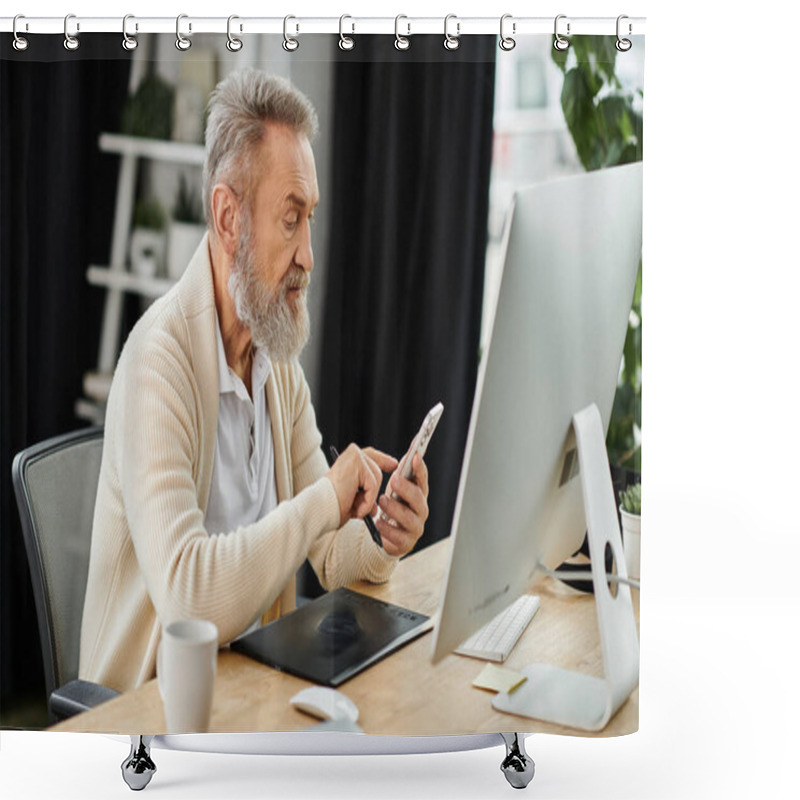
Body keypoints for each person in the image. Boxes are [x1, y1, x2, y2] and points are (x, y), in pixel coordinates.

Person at [79, 69, 430, 693]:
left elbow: (328, 553)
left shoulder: (276, 362)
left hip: (249, 688)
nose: (309, 255)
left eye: (310, 218)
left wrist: (381, 535)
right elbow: (189, 600)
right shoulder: (157, 363)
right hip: (148, 716)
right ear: (227, 217)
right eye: (290, 219)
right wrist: (326, 496)